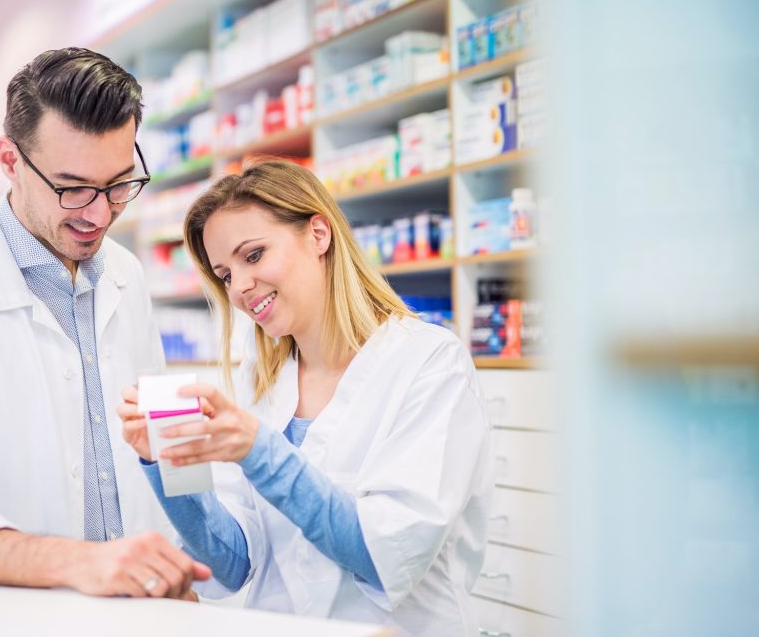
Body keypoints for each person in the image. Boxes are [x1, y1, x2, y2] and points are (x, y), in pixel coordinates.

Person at [0, 47, 210, 599]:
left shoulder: (127, 274)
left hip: (147, 609)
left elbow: (168, 444)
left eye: (119, 184)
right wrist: (79, 563)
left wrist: (194, 558)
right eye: (72, 188)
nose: (99, 214)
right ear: (10, 160)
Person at [118, 160, 493, 634]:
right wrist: (169, 463)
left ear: (319, 234)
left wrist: (258, 450)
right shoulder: (263, 379)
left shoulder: (430, 364)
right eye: (225, 275)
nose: (240, 288)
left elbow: (387, 555)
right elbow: (230, 563)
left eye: (253, 255)